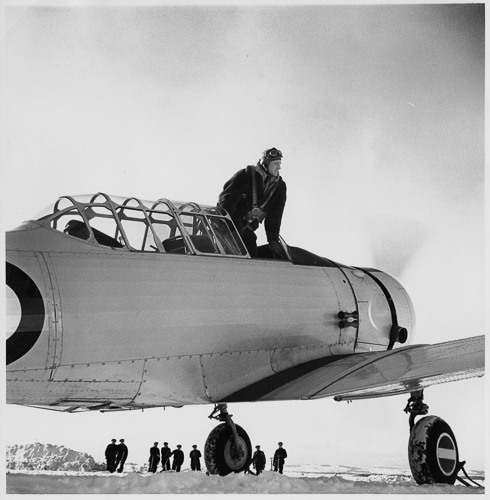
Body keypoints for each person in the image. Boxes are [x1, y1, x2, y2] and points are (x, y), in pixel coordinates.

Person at [217, 147, 287, 258]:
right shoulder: (246, 175)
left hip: (248, 227)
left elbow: (275, 216)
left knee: (251, 248)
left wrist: (273, 240)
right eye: (275, 163)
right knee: (234, 249)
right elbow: (227, 199)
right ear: (265, 164)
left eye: (279, 163)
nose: (279, 167)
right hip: (232, 223)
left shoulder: (279, 187)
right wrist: (224, 223)